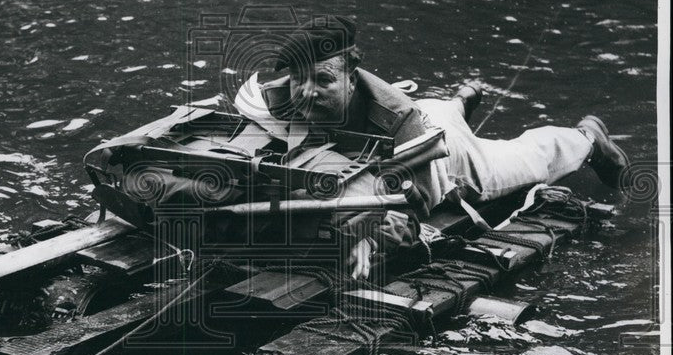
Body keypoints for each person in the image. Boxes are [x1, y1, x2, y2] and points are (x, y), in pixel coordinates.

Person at [243, 16, 629, 280]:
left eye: (323, 81)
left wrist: (368, 237)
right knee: (441, 111)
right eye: (298, 79)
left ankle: (587, 138)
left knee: (526, 160)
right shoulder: (278, 98)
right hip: (422, 115)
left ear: (352, 79)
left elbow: (412, 211)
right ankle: (461, 102)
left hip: (445, 159)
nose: (306, 93)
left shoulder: (399, 121)